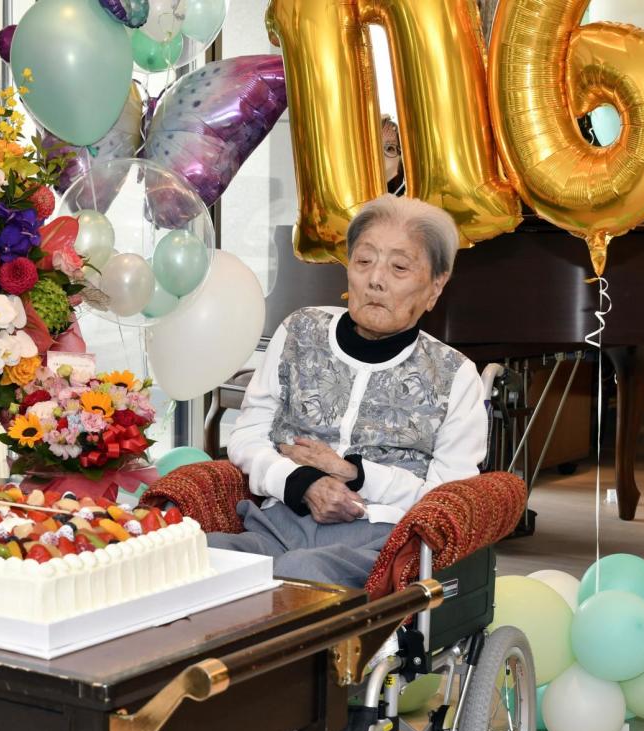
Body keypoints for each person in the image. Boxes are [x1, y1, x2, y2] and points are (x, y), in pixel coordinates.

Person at [208, 194, 487, 587]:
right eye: (364, 261)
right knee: (196, 561)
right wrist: (301, 483)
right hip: (274, 524)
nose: (376, 279)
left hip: (375, 542)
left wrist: (355, 474)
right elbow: (248, 435)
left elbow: (450, 499)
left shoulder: (455, 375)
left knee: (299, 578)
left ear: (435, 287)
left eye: (400, 267)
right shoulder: (299, 333)